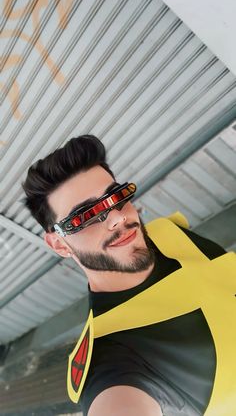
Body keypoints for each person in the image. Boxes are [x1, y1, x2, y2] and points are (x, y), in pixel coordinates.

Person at [22, 135, 236, 416]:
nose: (117, 218)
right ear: (60, 243)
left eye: (116, 196)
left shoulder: (164, 232)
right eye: (84, 216)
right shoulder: (111, 360)